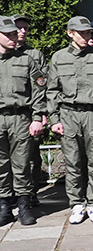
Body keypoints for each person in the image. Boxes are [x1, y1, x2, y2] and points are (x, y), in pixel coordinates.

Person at [47, 16, 93, 224]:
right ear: (70, 33)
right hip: (69, 115)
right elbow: (52, 90)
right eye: (82, 32)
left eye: (88, 32)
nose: (87, 35)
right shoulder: (59, 58)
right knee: (73, 161)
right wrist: (54, 119)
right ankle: (77, 204)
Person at [0, 16, 46, 226]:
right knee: (1, 164)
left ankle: (24, 204)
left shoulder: (25, 60)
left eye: (14, 33)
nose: (14, 37)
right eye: (8, 34)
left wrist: (37, 117)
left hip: (20, 117)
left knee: (22, 163)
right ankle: (4, 206)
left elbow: (38, 91)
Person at [12, 13, 47, 207]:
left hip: (28, 115)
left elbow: (42, 87)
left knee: (31, 156)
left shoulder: (34, 55)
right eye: (19, 27)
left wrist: (41, 114)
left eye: (25, 28)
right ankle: (9, 196)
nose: (23, 31)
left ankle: (31, 193)